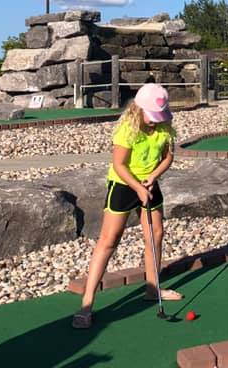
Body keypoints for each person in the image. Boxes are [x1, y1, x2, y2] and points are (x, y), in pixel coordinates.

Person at [72, 83, 183, 328]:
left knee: (155, 234)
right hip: (124, 185)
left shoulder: (164, 129)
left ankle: (152, 289)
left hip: (148, 183)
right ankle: (87, 303)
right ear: (137, 109)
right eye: (151, 117)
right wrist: (138, 187)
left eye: (158, 117)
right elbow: (120, 165)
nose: (154, 122)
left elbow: (168, 157)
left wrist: (153, 178)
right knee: (109, 240)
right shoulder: (127, 131)